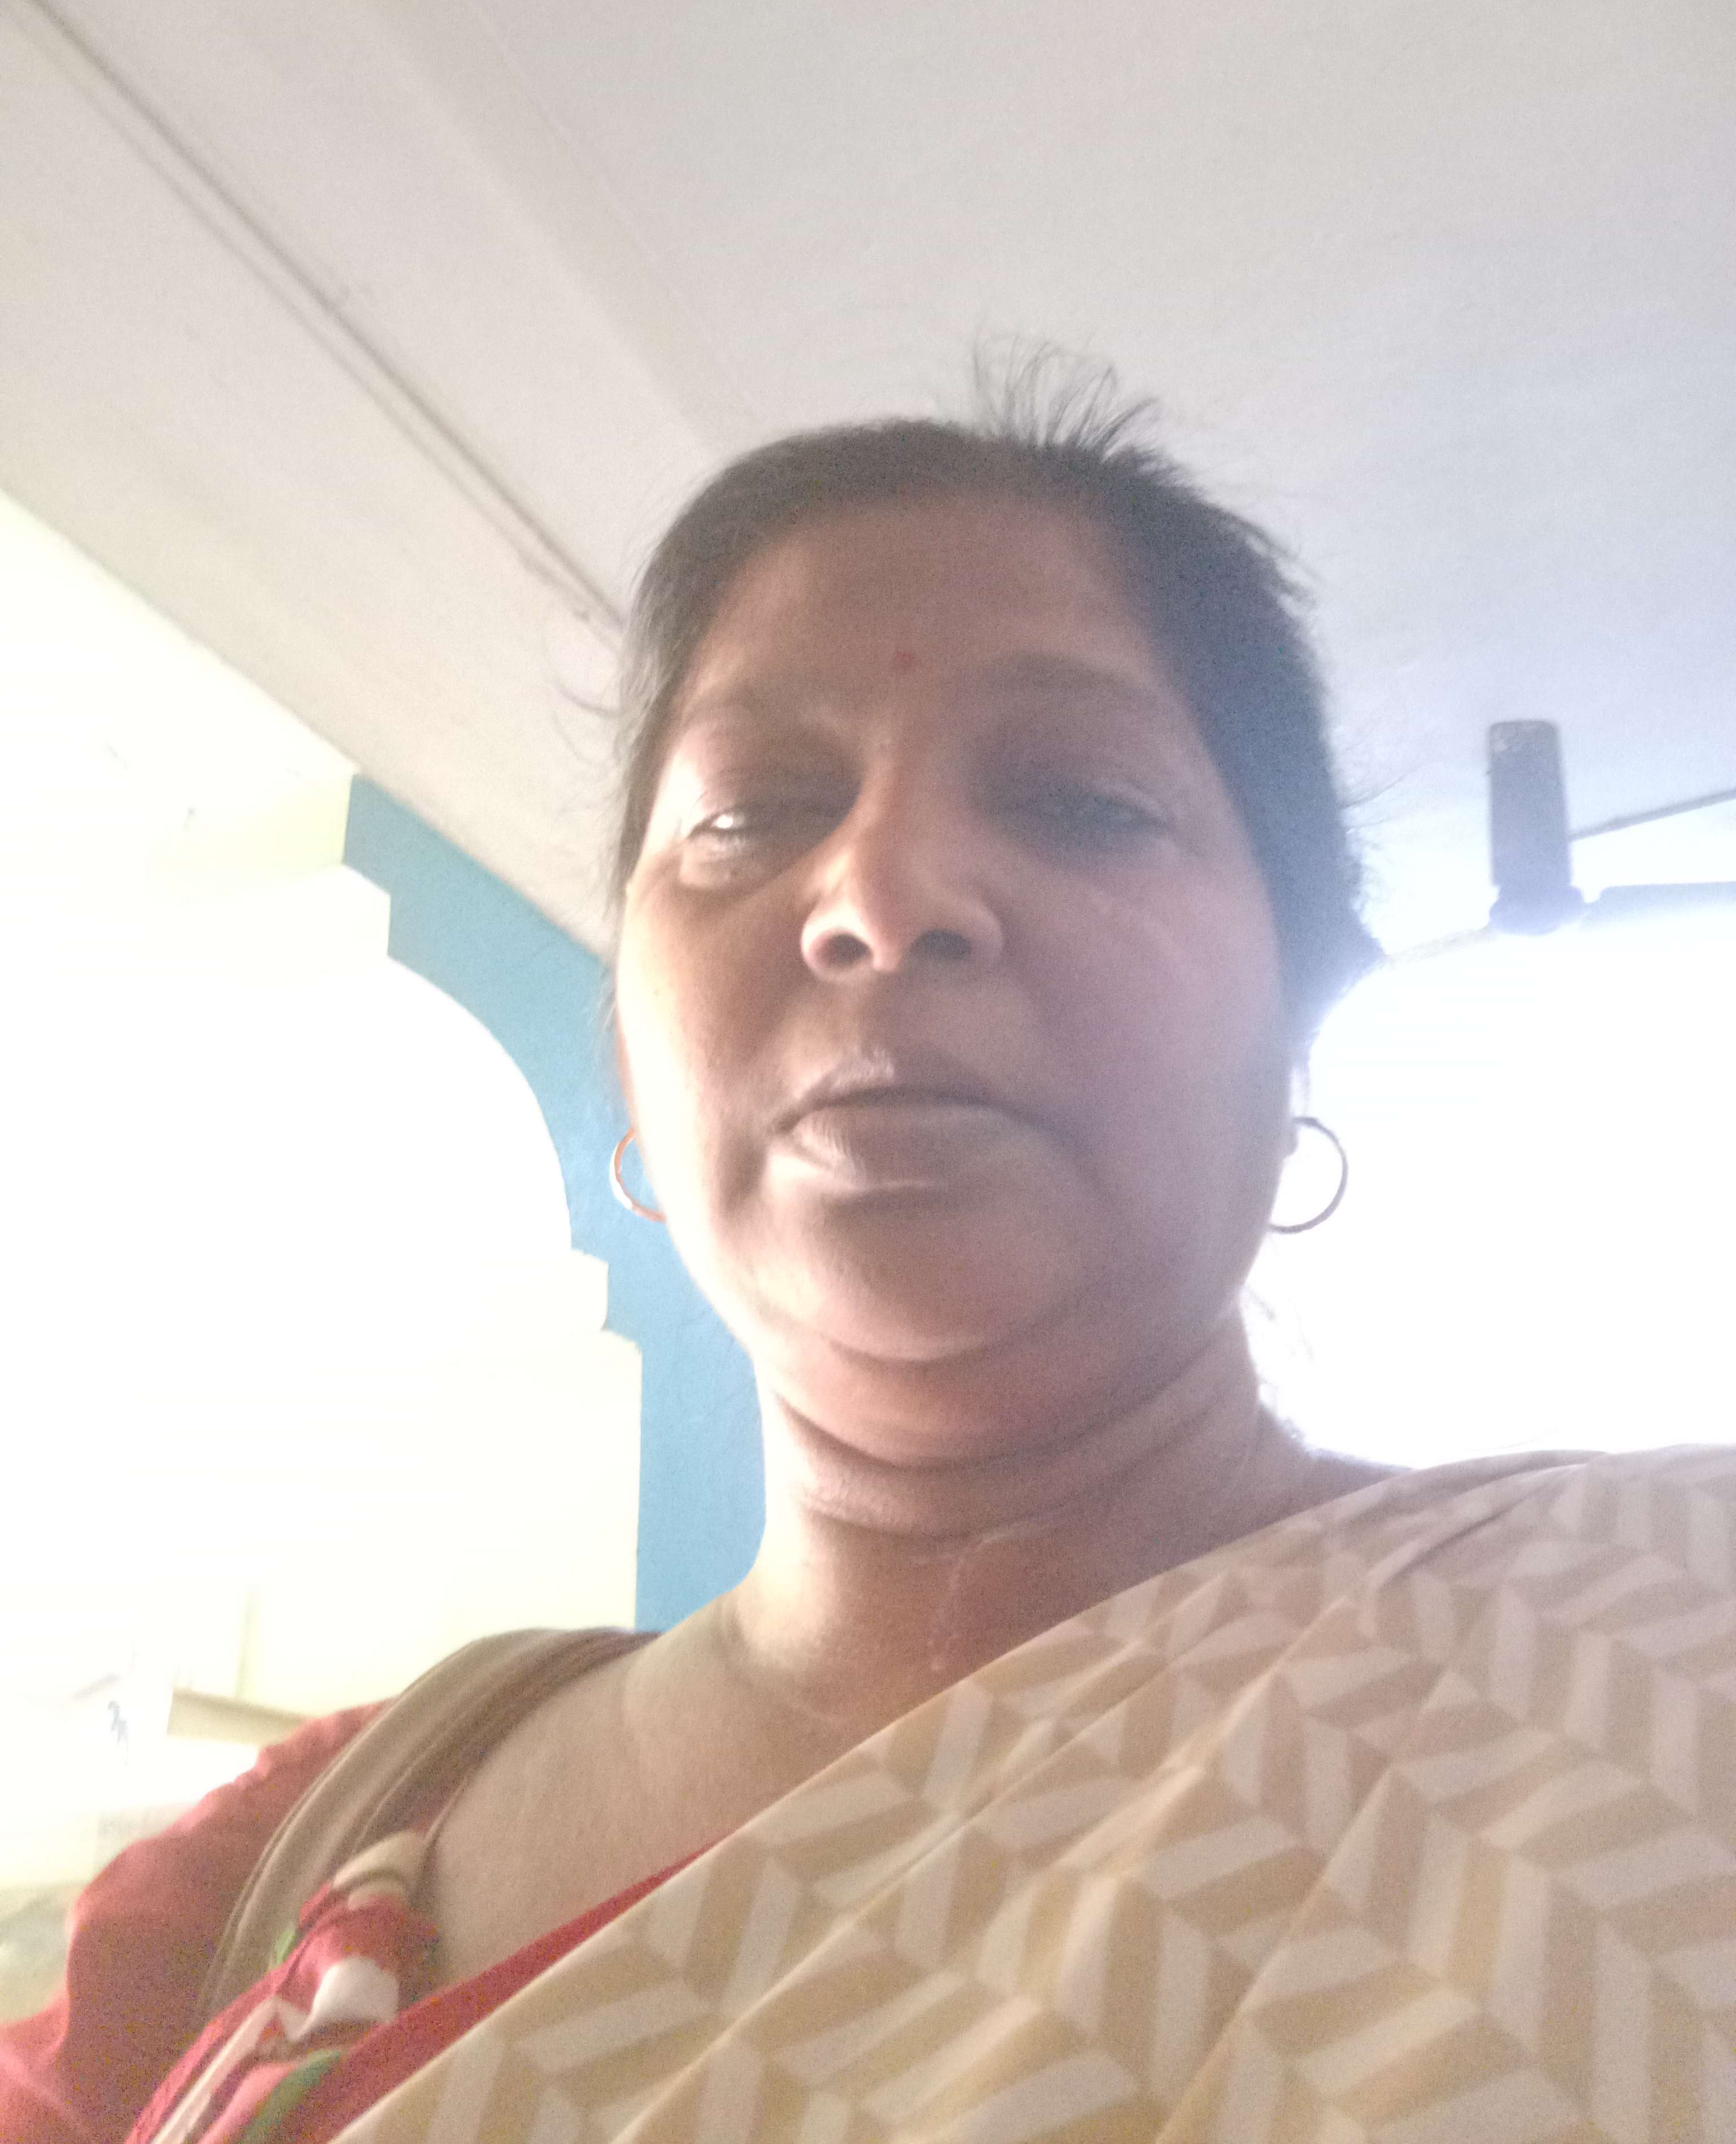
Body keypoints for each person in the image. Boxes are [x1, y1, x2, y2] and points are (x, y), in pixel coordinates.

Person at [7, 371, 1735, 2144]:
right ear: (633, 1066)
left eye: (1081, 799)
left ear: (1295, 1023)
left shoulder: (1667, 1658)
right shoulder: (286, 1865)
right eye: (753, 809)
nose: (883, 893)